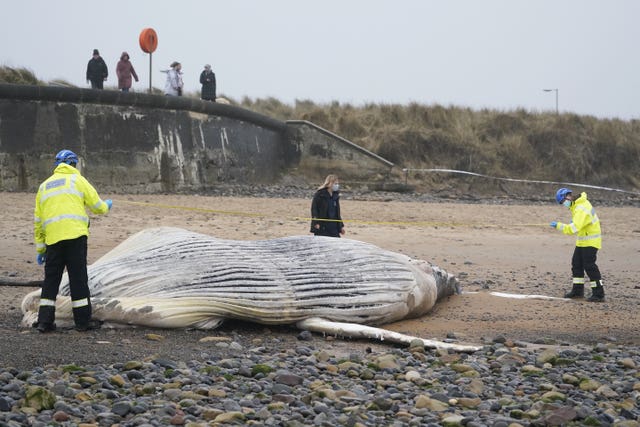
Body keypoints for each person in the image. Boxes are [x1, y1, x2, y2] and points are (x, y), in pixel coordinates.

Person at [33, 149, 112, 332]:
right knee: (78, 280)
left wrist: (40, 249)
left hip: (53, 241)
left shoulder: (44, 186)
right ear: (73, 164)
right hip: (75, 238)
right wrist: (107, 206)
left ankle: (44, 322)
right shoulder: (78, 181)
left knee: (51, 281)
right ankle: (83, 323)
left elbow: (38, 221)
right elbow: (97, 207)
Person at [550, 187, 605, 302]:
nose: (563, 204)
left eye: (563, 201)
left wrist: (559, 226)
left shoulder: (580, 208)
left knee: (589, 266)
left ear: (568, 197)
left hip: (590, 241)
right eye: (561, 203)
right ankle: (577, 291)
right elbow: (580, 223)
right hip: (583, 240)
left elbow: (572, 229)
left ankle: (599, 293)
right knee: (576, 264)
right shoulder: (577, 205)